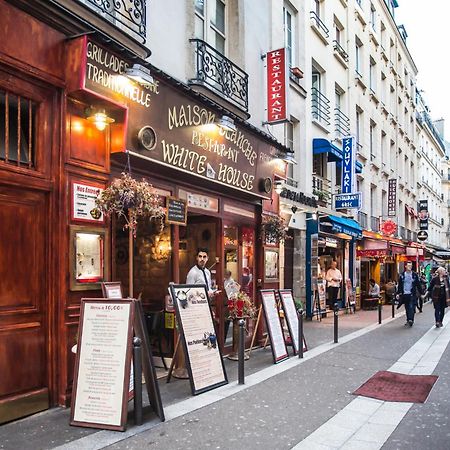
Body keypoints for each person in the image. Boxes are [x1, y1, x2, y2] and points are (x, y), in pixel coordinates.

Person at [396, 261, 423, 327]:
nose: (409, 267)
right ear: (405, 266)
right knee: (407, 307)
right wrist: (398, 293)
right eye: (408, 266)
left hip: (412, 293)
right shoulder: (402, 275)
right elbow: (400, 285)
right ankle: (408, 319)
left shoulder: (414, 275)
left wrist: (421, 293)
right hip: (404, 294)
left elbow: (418, 284)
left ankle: (411, 320)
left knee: (411, 306)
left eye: (410, 266)